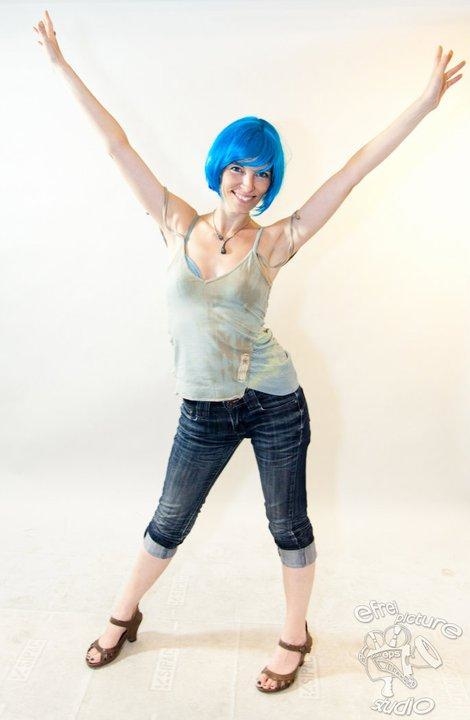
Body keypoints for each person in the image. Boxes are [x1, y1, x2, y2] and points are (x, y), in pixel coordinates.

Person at [34, 10, 465, 693]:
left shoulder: (276, 241)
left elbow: (352, 171)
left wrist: (424, 103)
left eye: (263, 174)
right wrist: (61, 66)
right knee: (168, 521)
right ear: (221, 168)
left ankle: (294, 635)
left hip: (273, 402)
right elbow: (117, 146)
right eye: (239, 167)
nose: (249, 183)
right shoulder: (176, 221)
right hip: (203, 410)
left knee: (287, 523)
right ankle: (124, 613)